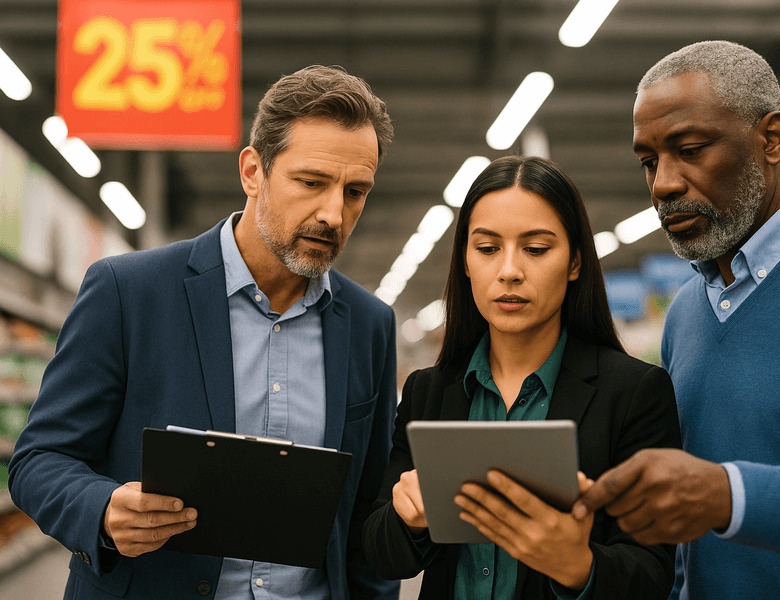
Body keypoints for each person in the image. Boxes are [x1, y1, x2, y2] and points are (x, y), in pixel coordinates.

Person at [9, 66, 400, 600]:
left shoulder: (369, 325)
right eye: (311, 183)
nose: (334, 214)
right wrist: (100, 508)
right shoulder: (128, 291)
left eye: (356, 192)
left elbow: (366, 513)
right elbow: (39, 460)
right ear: (252, 171)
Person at [572, 41, 780, 598]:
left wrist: (729, 496)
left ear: (772, 139)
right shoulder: (687, 315)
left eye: (691, 149)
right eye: (649, 161)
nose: (663, 185)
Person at [362, 156, 682, 599]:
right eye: (488, 248)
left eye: (535, 249)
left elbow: (652, 574)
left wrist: (577, 565)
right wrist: (407, 520)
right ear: (466, 262)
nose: (509, 270)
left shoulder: (633, 394)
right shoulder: (428, 392)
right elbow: (380, 552)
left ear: (574, 262)